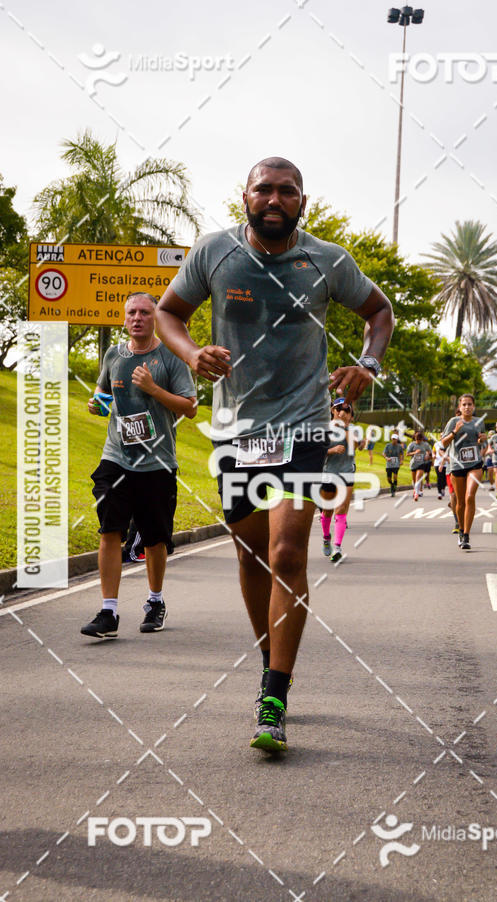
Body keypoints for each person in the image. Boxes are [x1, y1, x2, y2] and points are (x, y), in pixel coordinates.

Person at [155, 156, 394, 752]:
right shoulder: (214, 253)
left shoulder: (328, 260)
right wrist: (189, 354)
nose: (274, 199)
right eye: (264, 189)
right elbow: (167, 313)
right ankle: (271, 655)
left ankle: (274, 694)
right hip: (239, 431)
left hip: (307, 427)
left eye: (287, 191)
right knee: (251, 553)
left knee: (288, 552)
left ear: (302, 203)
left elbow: (379, 311)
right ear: (245, 198)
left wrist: (367, 363)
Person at [81, 292, 197, 639]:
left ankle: (155, 601)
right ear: (124, 318)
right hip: (116, 456)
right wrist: (96, 406)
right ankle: (108, 612)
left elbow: (189, 407)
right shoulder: (114, 355)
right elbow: (105, 397)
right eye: (132, 312)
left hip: (157, 462)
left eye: (145, 312)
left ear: (155, 318)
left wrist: (152, 388)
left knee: (154, 538)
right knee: (109, 529)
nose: (138, 318)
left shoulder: (170, 357)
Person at [440, 393, 486, 550]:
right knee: (459, 503)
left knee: (470, 496)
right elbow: (443, 443)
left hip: (475, 464)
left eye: (470, 404)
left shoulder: (479, 422)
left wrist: (482, 439)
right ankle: (460, 529)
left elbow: (480, 441)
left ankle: (466, 535)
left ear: (474, 407)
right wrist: (454, 432)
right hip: (457, 465)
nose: (467, 407)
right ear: (459, 407)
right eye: (464, 404)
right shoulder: (453, 421)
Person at [320, 397, 363, 562]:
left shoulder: (352, 429)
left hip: (346, 472)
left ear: (351, 414)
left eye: (347, 410)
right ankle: (326, 538)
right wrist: (331, 451)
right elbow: (316, 452)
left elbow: (354, 447)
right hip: (328, 472)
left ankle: (337, 547)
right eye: (339, 409)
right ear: (332, 411)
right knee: (327, 510)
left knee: (341, 509)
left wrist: (345, 427)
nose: (342, 413)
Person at [406, 431, 432, 501]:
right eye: (417, 440)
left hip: (422, 464)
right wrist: (415, 452)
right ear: (415, 438)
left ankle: (416, 494)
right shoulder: (412, 444)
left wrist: (428, 456)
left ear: (422, 439)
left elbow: (430, 453)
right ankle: (416, 490)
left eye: (419, 440)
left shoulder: (425, 445)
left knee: (418, 478)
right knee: (414, 480)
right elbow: (407, 454)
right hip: (413, 464)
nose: (418, 441)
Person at [383, 432, 402, 496]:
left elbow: (401, 454)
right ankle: (392, 484)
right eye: (393, 439)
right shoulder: (388, 445)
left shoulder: (399, 446)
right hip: (389, 463)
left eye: (395, 439)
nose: (394, 440)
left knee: (395, 476)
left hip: (396, 463)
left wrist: (401, 461)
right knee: (388, 479)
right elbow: (384, 453)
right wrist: (386, 458)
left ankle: (393, 489)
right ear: (391, 439)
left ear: (397, 439)